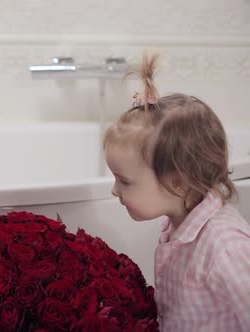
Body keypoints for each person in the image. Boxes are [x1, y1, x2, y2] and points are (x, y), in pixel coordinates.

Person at [103, 53, 250, 331]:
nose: (114, 190)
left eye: (124, 180)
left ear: (179, 181)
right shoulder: (177, 225)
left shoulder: (226, 249)